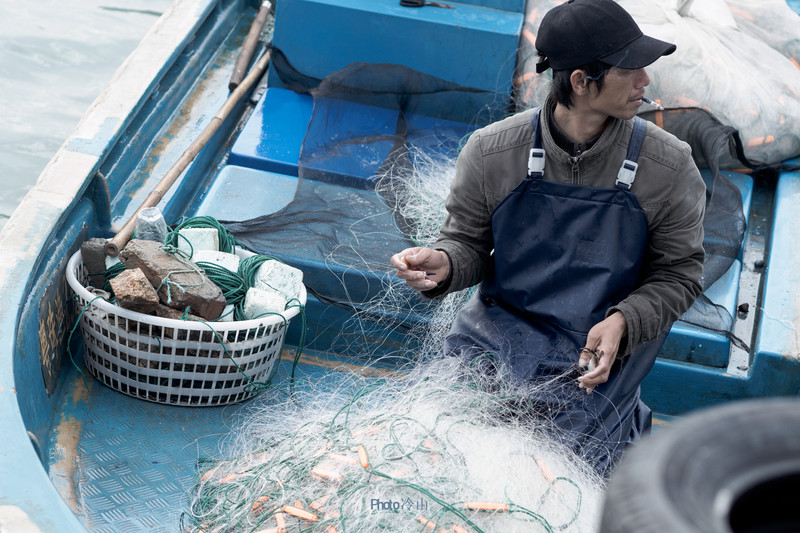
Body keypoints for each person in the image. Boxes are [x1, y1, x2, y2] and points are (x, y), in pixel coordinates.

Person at [390, 0, 706, 475]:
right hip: (494, 343)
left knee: (561, 477)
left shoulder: (669, 164)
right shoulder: (491, 150)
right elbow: (467, 244)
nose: (646, 81)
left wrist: (625, 321)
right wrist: (446, 264)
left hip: (596, 361)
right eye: (631, 69)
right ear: (581, 81)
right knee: (437, 457)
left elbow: (680, 274)